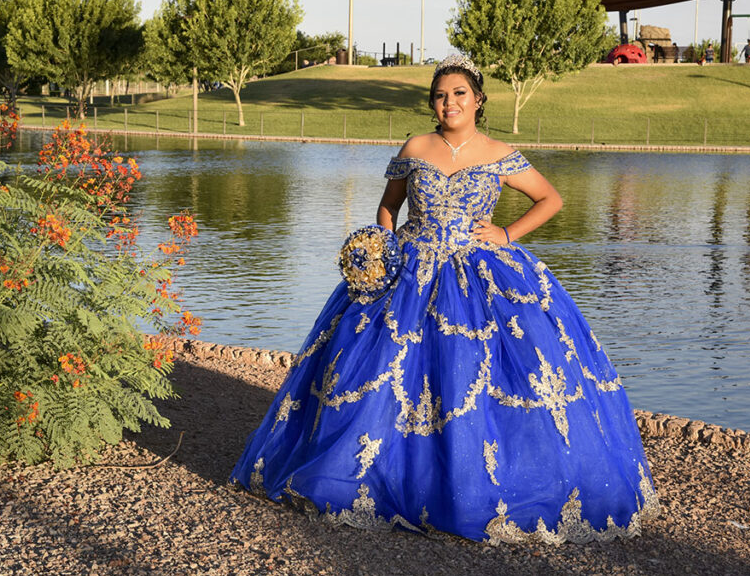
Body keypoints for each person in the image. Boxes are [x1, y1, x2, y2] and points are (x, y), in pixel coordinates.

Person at [230, 54, 661, 545]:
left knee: (478, 371)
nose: (449, 102)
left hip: (479, 271)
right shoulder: (416, 146)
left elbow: (551, 199)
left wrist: (506, 232)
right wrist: (381, 251)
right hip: (409, 269)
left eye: (459, 93)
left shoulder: (500, 153)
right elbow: (389, 205)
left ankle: (468, 482)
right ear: (432, 103)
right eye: (440, 95)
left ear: (478, 100)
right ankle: (367, 470)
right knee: (380, 367)